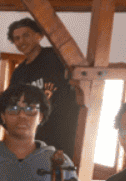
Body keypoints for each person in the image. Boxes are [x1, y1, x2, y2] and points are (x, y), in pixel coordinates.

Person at [7, 18, 77, 157]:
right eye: (17, 38)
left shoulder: (56, 56)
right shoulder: (19, 72)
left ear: (39, 36)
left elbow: (80, 73)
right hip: (35, 139)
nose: (21, 41)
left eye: (26, 35)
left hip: (65, 133)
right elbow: (8, 102)